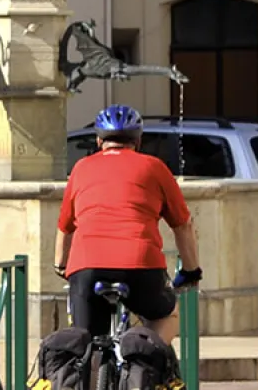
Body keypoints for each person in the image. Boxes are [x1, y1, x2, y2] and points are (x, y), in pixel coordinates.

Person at [54, 105, 202, 343]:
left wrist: (60, 266)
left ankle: (83, 378)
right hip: (141, 264)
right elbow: (183, 226)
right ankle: (148, 363)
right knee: (167, 314)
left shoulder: (81, 168)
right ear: (138, 140)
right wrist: (191, 271)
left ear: (98, 140)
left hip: (87, 266)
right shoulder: (154, 167)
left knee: (86, 343)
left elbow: (65, 227)